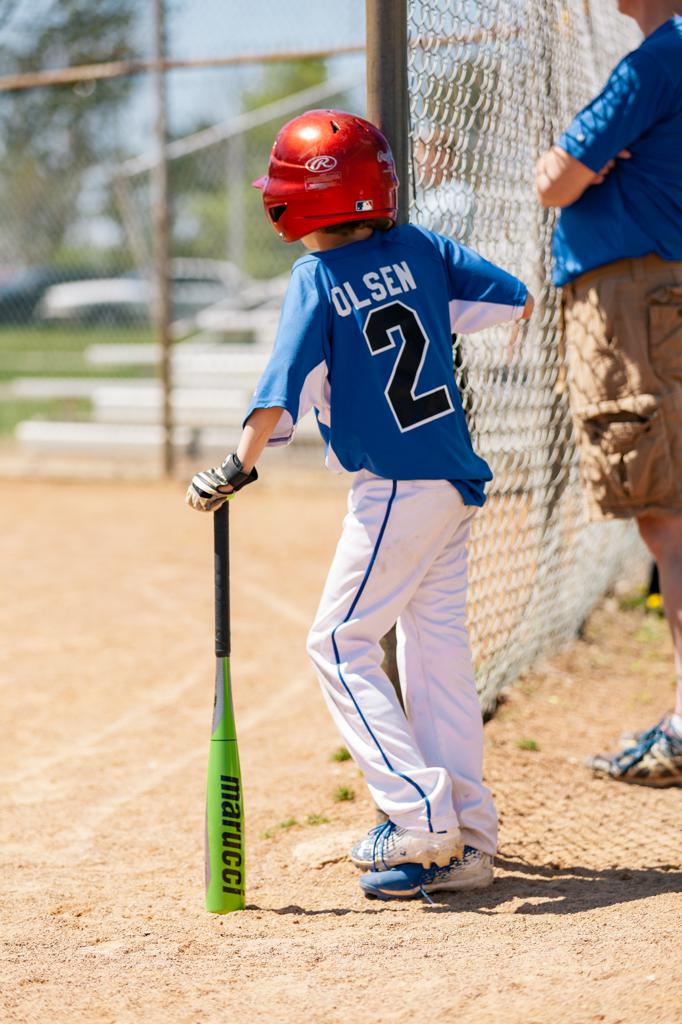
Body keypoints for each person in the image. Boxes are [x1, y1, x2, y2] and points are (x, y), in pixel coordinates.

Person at [187, 109, 533, 900]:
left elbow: (279, 394)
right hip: (450, 478)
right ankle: (469, 842)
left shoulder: (316, 279)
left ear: (297, 203)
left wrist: (235, 471)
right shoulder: (420, 246)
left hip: (398, 485)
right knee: (434, 655)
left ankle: (419, 818)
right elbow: (514, 301)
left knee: (339, 643)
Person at [535, 2, 682, 785]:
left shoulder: (657, 59)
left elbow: (556, 181)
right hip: (660, 290)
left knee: (666, 518)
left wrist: (579, 166)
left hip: (638, 299)